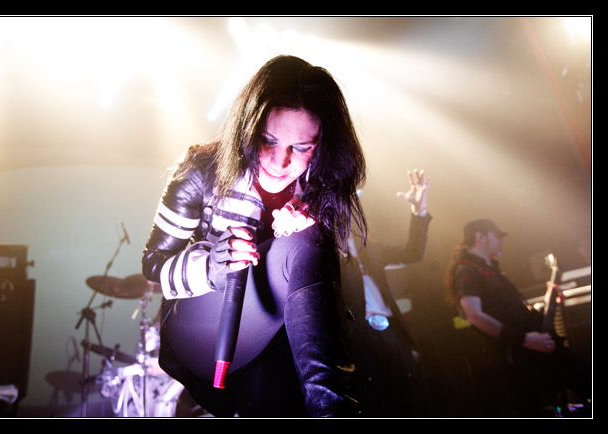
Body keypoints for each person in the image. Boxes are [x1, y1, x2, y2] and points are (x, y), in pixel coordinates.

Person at [141, 55, 367, 417]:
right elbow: (153, 265)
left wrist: (315, 218)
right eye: (268, 140)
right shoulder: (201, 170)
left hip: (271, 342)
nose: (280, 161)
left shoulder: (320, 188)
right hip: (202, 327)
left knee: (275, 397)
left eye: (301, 147)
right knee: (304, 243)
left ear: (322, 145)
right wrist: (213, 264)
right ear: (248, 127)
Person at [444, 218, 591, 417]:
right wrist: (524, 339)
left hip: (533, 349)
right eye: (497, 236)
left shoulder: (491, 270)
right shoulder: (467, 271)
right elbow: (474, 315)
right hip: (516, 356)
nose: (502, 241)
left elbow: (512, 312)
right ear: (480, 237)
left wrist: (546, 304)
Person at [341, 169, 431, 417]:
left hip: (391, 332)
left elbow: (412, 253)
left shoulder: (370, 249)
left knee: (410, 400)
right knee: (375, 403)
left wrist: (419, 209)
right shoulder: (325, 254)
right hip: (359, 336)